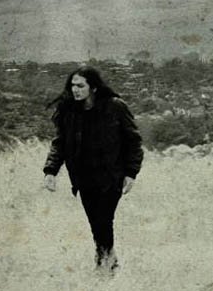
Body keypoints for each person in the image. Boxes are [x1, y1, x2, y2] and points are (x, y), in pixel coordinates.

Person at [43, 65, 143, 273]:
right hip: (83, 177)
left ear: (93, 87)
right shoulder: (69, 111)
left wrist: (131, 173)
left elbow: (133, 141)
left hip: (111, 176)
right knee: (95, 222)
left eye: (81, 86)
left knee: (104, 219)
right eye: (73, 85)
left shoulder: (115, 107)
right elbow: (60, 143)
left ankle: (104, 263)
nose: (75, 90)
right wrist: (50, 171)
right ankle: (107, 260)